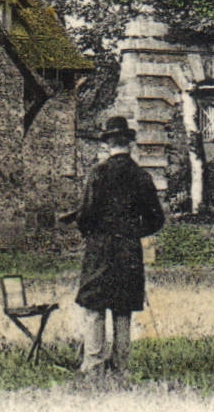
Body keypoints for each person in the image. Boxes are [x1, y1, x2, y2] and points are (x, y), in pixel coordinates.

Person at [69, 116, 166, 379]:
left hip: (100, 248)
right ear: (130, 145)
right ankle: (122, 366)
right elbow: (156, 219)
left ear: (108, 144)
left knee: (94, 305)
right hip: (128, 250)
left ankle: (94, 363)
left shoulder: (98, 174)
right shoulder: (142, 177)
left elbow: (85, 215)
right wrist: (134, 232)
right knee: (123, 307)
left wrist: (90, 233)